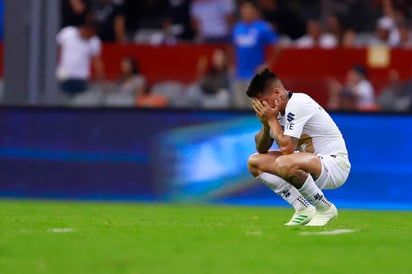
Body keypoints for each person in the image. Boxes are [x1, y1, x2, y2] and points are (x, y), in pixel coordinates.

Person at [246, 68, 351, 226]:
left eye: (263, 101)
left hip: (334, 165)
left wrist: (272, 121)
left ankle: (325, 208)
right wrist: (266, 124)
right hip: (311, 163)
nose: (263, 107)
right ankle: (302, 207)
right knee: (255, 162)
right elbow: (261, 148)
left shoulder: (299, 102)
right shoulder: (276, 112)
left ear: (276, 92)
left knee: (285, 162)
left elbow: (287, 149)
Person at [231, 0, 280, 109]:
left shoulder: (263, 27)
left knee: (255, 107)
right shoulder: (237, 28)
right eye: (243, 10)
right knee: (239, 107)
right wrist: (232, 66)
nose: (245, 13)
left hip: (255, 75)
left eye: (248, 10)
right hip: (239, 74)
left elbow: (277, 45)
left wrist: (268, 64)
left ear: (255, 12)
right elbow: (231, 48)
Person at [56, 18, 104, 97]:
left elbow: (96, 61)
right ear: (87, 29)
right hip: (64, 76)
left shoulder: (94, 41)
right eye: (92, 33)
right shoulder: (68, 33)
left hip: (81, 79)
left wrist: (101, 78)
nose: (92, 36)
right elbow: (55, 49)